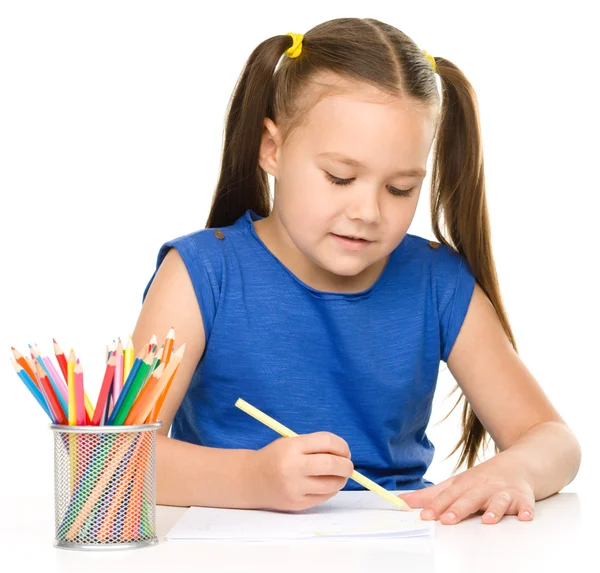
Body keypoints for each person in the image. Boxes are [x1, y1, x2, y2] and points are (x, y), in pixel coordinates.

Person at [132, 17, 581, 525]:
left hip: (398, 543)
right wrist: (252, 478)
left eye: (400, 188)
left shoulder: (437, 283)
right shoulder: (199, 276)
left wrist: (515, 469)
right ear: (272, 149)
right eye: (340, 177)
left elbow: (554, 440)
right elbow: (115, 460)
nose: (368, 212)